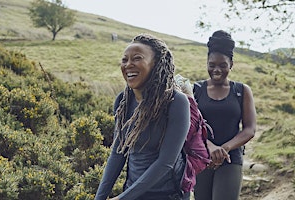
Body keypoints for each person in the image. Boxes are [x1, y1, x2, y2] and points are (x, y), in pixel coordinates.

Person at [95, 33, 191, 200]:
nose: (128, 65)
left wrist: (122, 199)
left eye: (137, 58)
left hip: (168, 195)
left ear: (156, 64)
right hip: (133, 192)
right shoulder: (123, 101)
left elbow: (166, 163)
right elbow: (118, 154)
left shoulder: (176, 102)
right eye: (125, 60)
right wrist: (100, 197)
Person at [193, 30, 257, 200]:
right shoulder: (196, 90)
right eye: (212, 65)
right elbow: (189, 127)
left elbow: (250, 129)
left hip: (231, 159)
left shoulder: (241, 91)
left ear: (231, 65)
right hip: (201, 158)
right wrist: (210, 146)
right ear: (206, 63)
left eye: (223, 65)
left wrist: (224, 149)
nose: (217, 70)